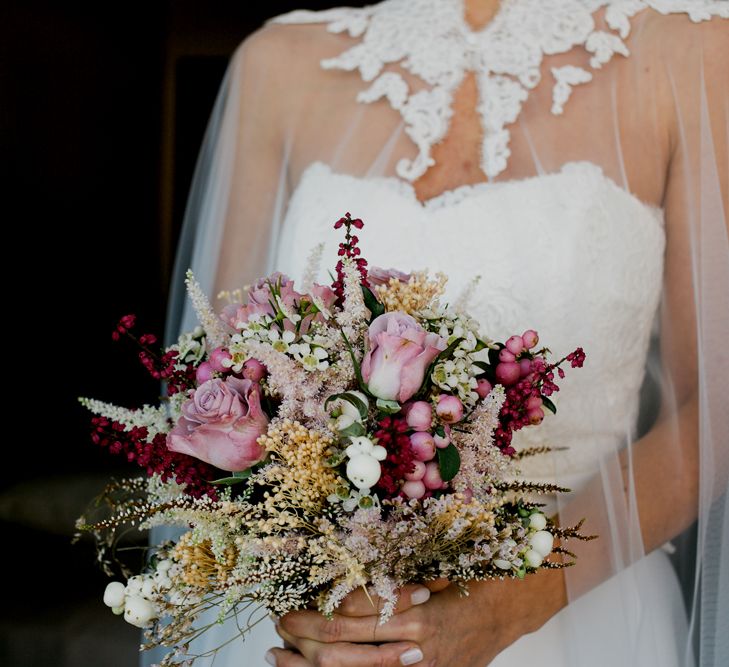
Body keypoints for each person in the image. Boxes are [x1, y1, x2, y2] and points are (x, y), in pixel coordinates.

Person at [158, 1, 728, 665]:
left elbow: (712, 405)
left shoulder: (694, 53)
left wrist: (513, 602)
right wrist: (307, 605)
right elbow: (218, 375)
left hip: (579, 616)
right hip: (319, 632)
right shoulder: (277, 65)